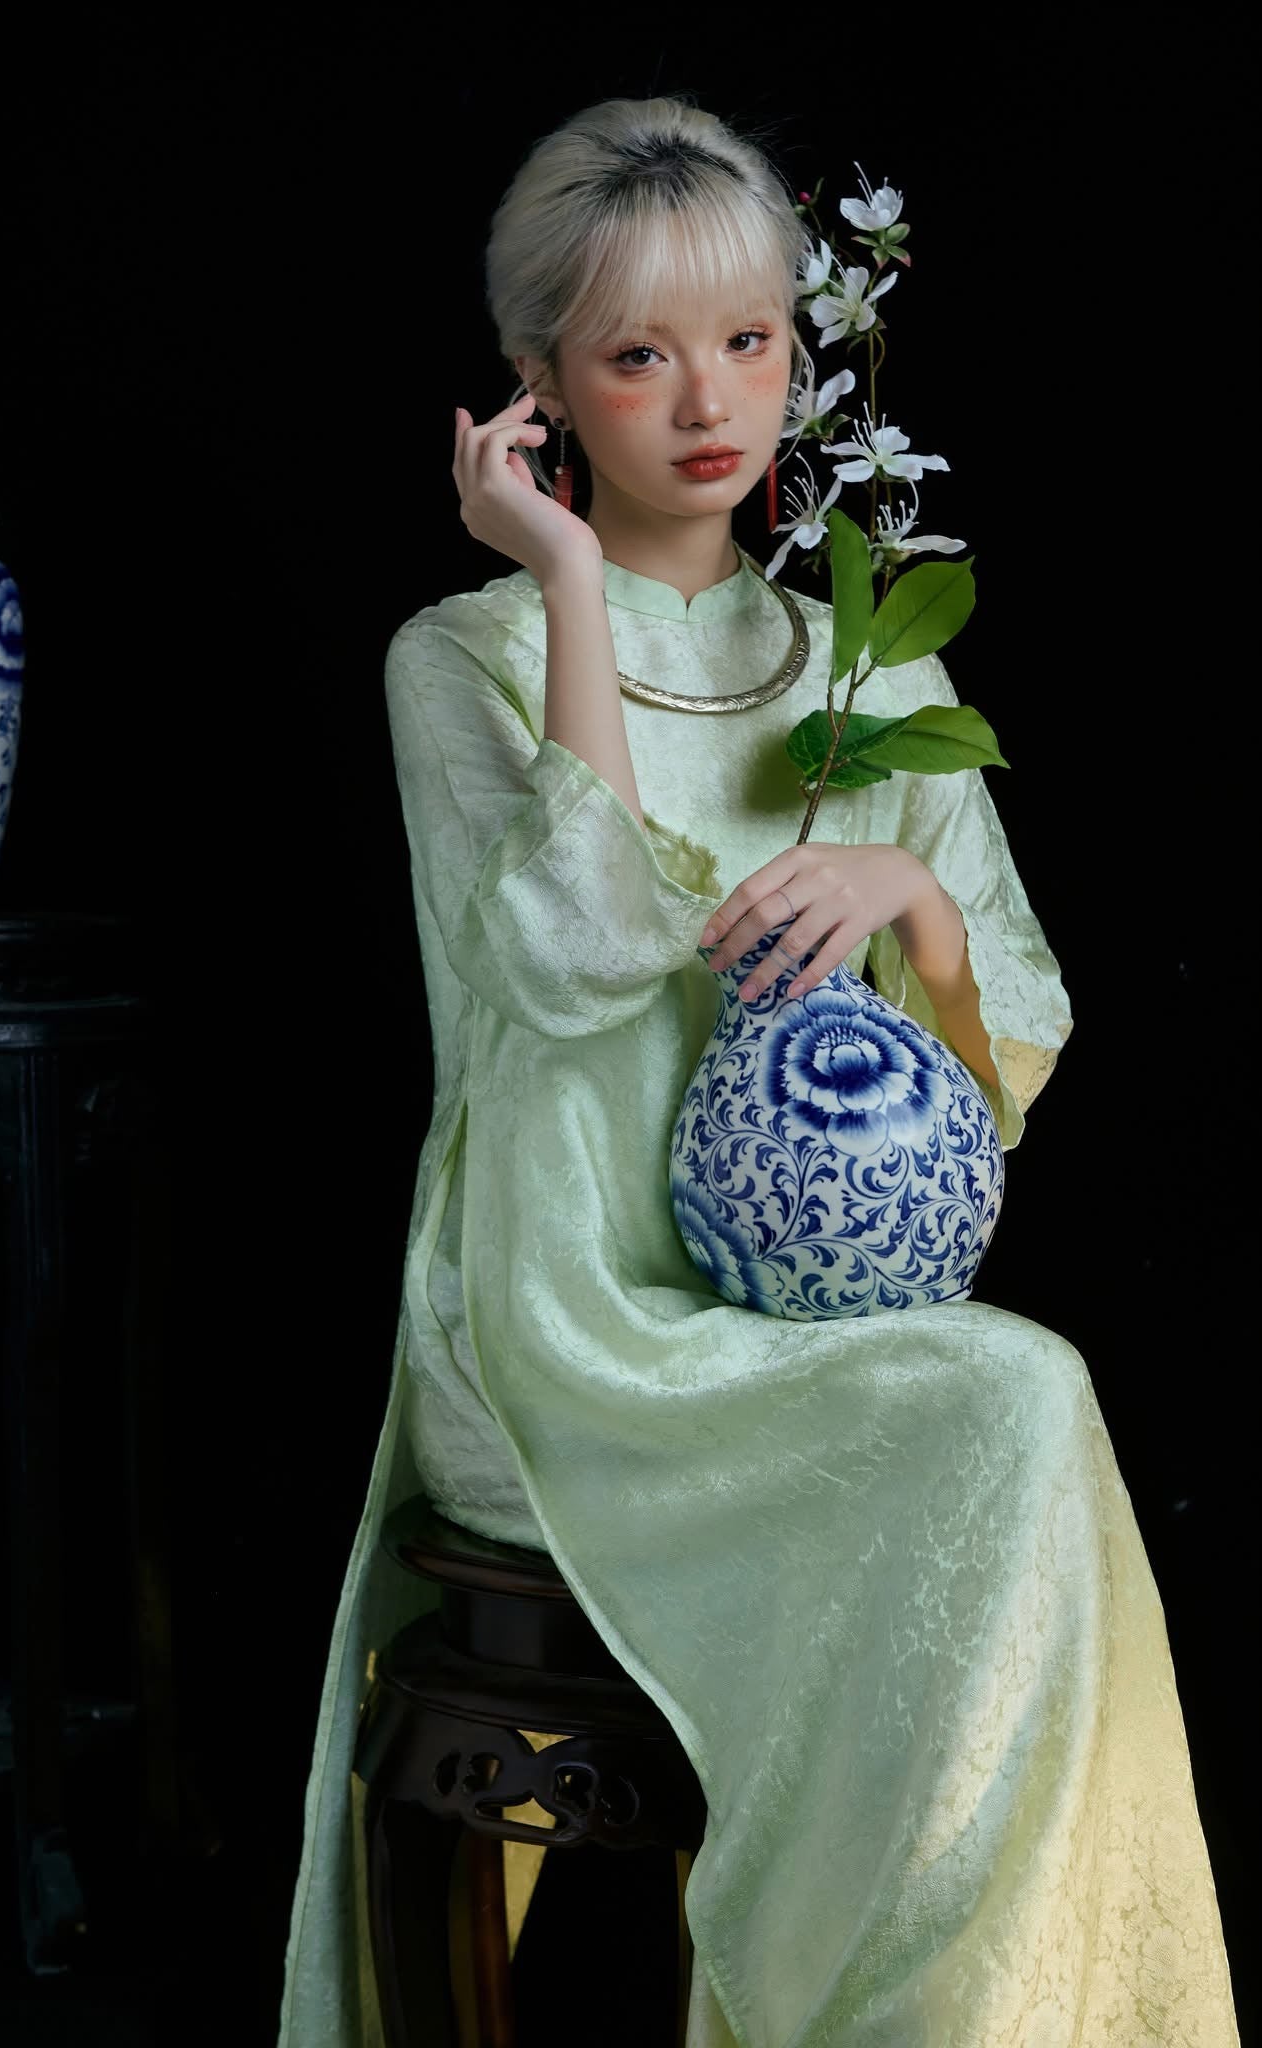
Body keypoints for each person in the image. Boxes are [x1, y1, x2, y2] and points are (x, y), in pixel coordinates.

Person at [278, 97, 1238, 2046]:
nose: (706, 400)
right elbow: (577, 955)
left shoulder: (870, 668)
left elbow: (1004, 1057)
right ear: (541, 385)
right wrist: (557, 572)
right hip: (563, 1316)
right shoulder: (450, 658)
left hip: (799, 1305)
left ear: (805, 351)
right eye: (635, 353)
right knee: (1011, 1404)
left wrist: (916, 899)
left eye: (749, 342)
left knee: (1018, 1399)